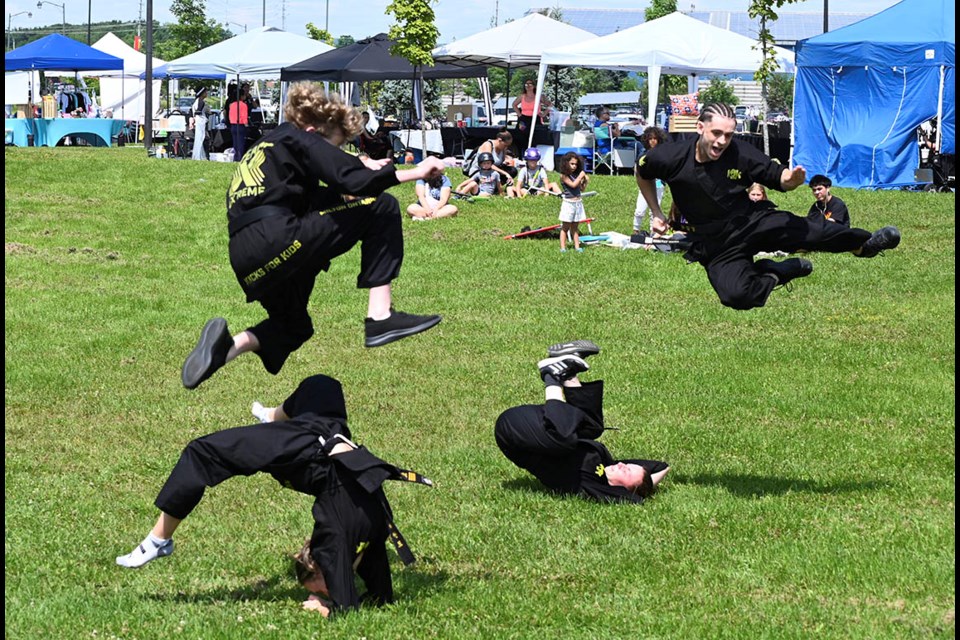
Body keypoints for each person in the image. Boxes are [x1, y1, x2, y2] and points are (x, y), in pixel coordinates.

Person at [180, 83, 445, 390]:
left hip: (246, 255)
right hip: (277, 237)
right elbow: (352, 181)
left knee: (294, 327)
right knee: (382, 206)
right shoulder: (300, 137)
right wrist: (416, 171)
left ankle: (225, 349)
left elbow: (315, 198)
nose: (337, 155)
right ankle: (380, 315)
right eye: (335, 148)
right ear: (312, 131)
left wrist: (359, 176)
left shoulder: (268, 147)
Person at [116, 374, 433, 618]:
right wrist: (327, 604)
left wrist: (323, 605)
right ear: (319, 566)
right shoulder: (339, 545)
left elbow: (370, 602)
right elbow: (362, 603)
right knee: (202, 452)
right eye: (322, 588)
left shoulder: (348, 540)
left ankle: (274, 417)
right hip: (308, 450)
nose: (326, 591)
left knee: (321, 386)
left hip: (317, 452)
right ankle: (160, 540)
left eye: (320, 587)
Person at [636, 103, 901, 310]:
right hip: (713, 241)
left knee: (812, 232)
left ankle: (863, 245)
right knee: (735, 296)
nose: (721, 141)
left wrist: (792, 180)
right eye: (716, 133)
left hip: (751, 222)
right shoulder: (669, 156)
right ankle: (775, 272)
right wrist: (657, 213)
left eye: (728, 135)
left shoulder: (740, 153)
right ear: (700, 128)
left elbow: (777, 176)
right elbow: (641, 172)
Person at [495, 340, 670, 503]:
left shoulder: (594, 486)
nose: (623, 464)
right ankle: (567, 371)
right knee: (593, 428)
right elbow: (662, 466)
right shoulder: (606, 460)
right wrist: (645, 482)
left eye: (627, 471)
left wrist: (641, 491)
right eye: (629, 465)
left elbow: (636, 500)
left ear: (623, 489)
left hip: (514, 434)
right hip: (533, 423)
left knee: (565, 440)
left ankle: (551, 376)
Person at [633, 126, 668, 235]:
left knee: (654, 212)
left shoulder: (663, 154)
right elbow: (637, 168)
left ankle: (653, 232)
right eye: (650, 138)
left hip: (658, 186)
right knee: (639, 210)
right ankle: (635, 231)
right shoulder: (643, 155)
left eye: (655, 138)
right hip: (645, 186)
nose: (653, 141)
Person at [557, 151, 589, 253]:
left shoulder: (575, 175)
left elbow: (580, 189)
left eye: (576, 164)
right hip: (569, 203)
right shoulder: (564, 176)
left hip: (578, 202)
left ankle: (577, 246)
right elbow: (573, 185)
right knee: (565, 227)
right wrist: (580, 176)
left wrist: (585, 181)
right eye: (572, 164)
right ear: (566, 163)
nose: (574, 166)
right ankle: (563, 247)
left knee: (575, 227)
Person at [228, 83, 250, 161]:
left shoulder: (231, 105)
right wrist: (246, 125)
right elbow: (244, 116)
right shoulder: (243, 105)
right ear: (241, 96)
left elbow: (230, 116)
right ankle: (239, 158)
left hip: (233, 125)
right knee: (241, 143)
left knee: (235, 143)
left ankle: (235, 157)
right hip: (240, 125)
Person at [190, 87, 211, 161]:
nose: (206, 94)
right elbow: (198, 111)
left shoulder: (196, 101)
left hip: (198, 121)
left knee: (199, 138)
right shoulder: (201, 102)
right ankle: (198, 155)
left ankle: (198, 154)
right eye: (205, 92)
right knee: (200, 138)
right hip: (200, 121)